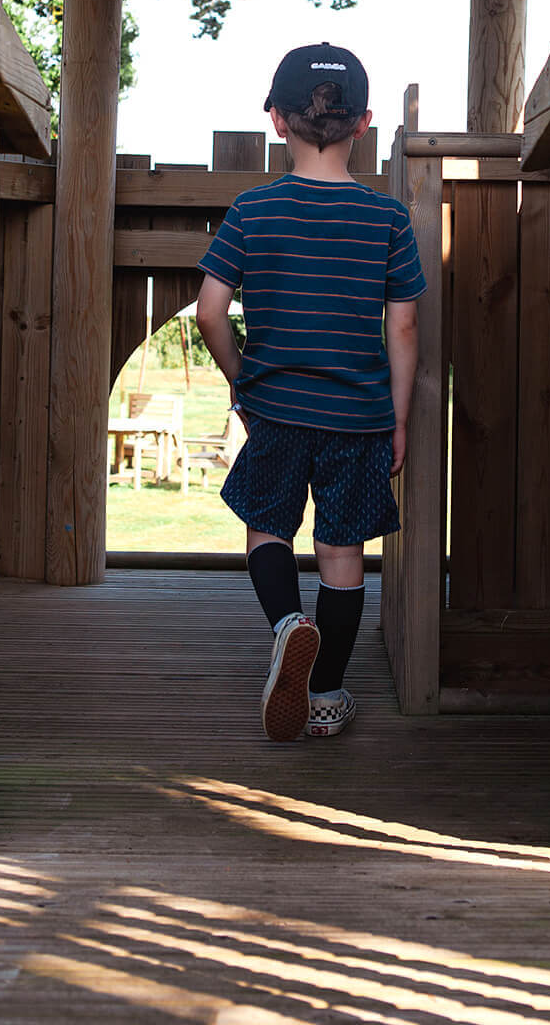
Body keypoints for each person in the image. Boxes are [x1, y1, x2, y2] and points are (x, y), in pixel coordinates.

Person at [195, 42, 425, 742]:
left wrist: (244, 383)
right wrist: (398, 419)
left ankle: (289, 626)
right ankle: (325, 697)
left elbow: (209, 311)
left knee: (267, 525)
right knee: (342, 553)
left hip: (277, 411)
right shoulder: (387, 221)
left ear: (275, 121)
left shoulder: (252, 210)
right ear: (366, 124)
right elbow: (406, 327)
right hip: (357, 416)